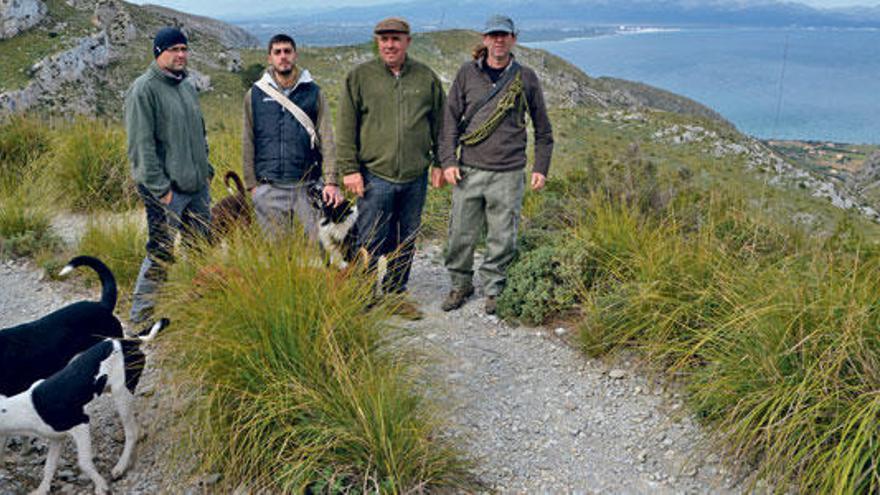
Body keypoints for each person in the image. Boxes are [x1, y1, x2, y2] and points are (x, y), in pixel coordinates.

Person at [439, 15, 554, 315]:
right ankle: (460, 285)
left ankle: (494, 289)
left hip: (509, 172)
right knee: (460, 233)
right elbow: (449, 120)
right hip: (469, 170)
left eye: (504, 35)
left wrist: (540, 168)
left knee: (502, 236)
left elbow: (543, 129)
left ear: (513, 39)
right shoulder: (466, 73)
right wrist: (448, 161)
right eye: (493, 35)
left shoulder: (526, 77)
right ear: (485, 39)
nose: (498, 40)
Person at [336, 17, 446, 318]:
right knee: (370, 237)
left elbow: (441, 125)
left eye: (396, 39)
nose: (389, 45)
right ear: (377, 42)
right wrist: (350, 169)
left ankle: (396, 294)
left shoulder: (426, 77)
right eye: (384, 39)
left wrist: (441, 162)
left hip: (415, 176)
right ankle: (365, 294)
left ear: (407, 41)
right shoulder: (360, 77)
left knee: (406, 237)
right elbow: (346, 127)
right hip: (375, 175)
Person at [125, 26, 214, 324]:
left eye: (184, 49)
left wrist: (206, 170)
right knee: (161, 251)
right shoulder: (144, 89)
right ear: (158, 53)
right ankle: (140, 318)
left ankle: (198, 307)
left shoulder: (186, 85)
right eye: (173, 49)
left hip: (197, 187)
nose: (180, 55)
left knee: (201, 248)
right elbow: (141, 147)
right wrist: (161, 190)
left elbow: (199, 132)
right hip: (166, 191)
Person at [242, 33, 342, 240]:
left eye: (287, 51)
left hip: (307, 186)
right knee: (275, 250)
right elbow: (248, 140)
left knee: (316, 247)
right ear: (269, 58)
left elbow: (327, 139)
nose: (283, 56)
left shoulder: (314, 92)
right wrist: (252, 186)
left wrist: (331, 181)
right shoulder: (255, 95)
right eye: (277, 52)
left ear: (295, 55)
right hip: (269, 187)